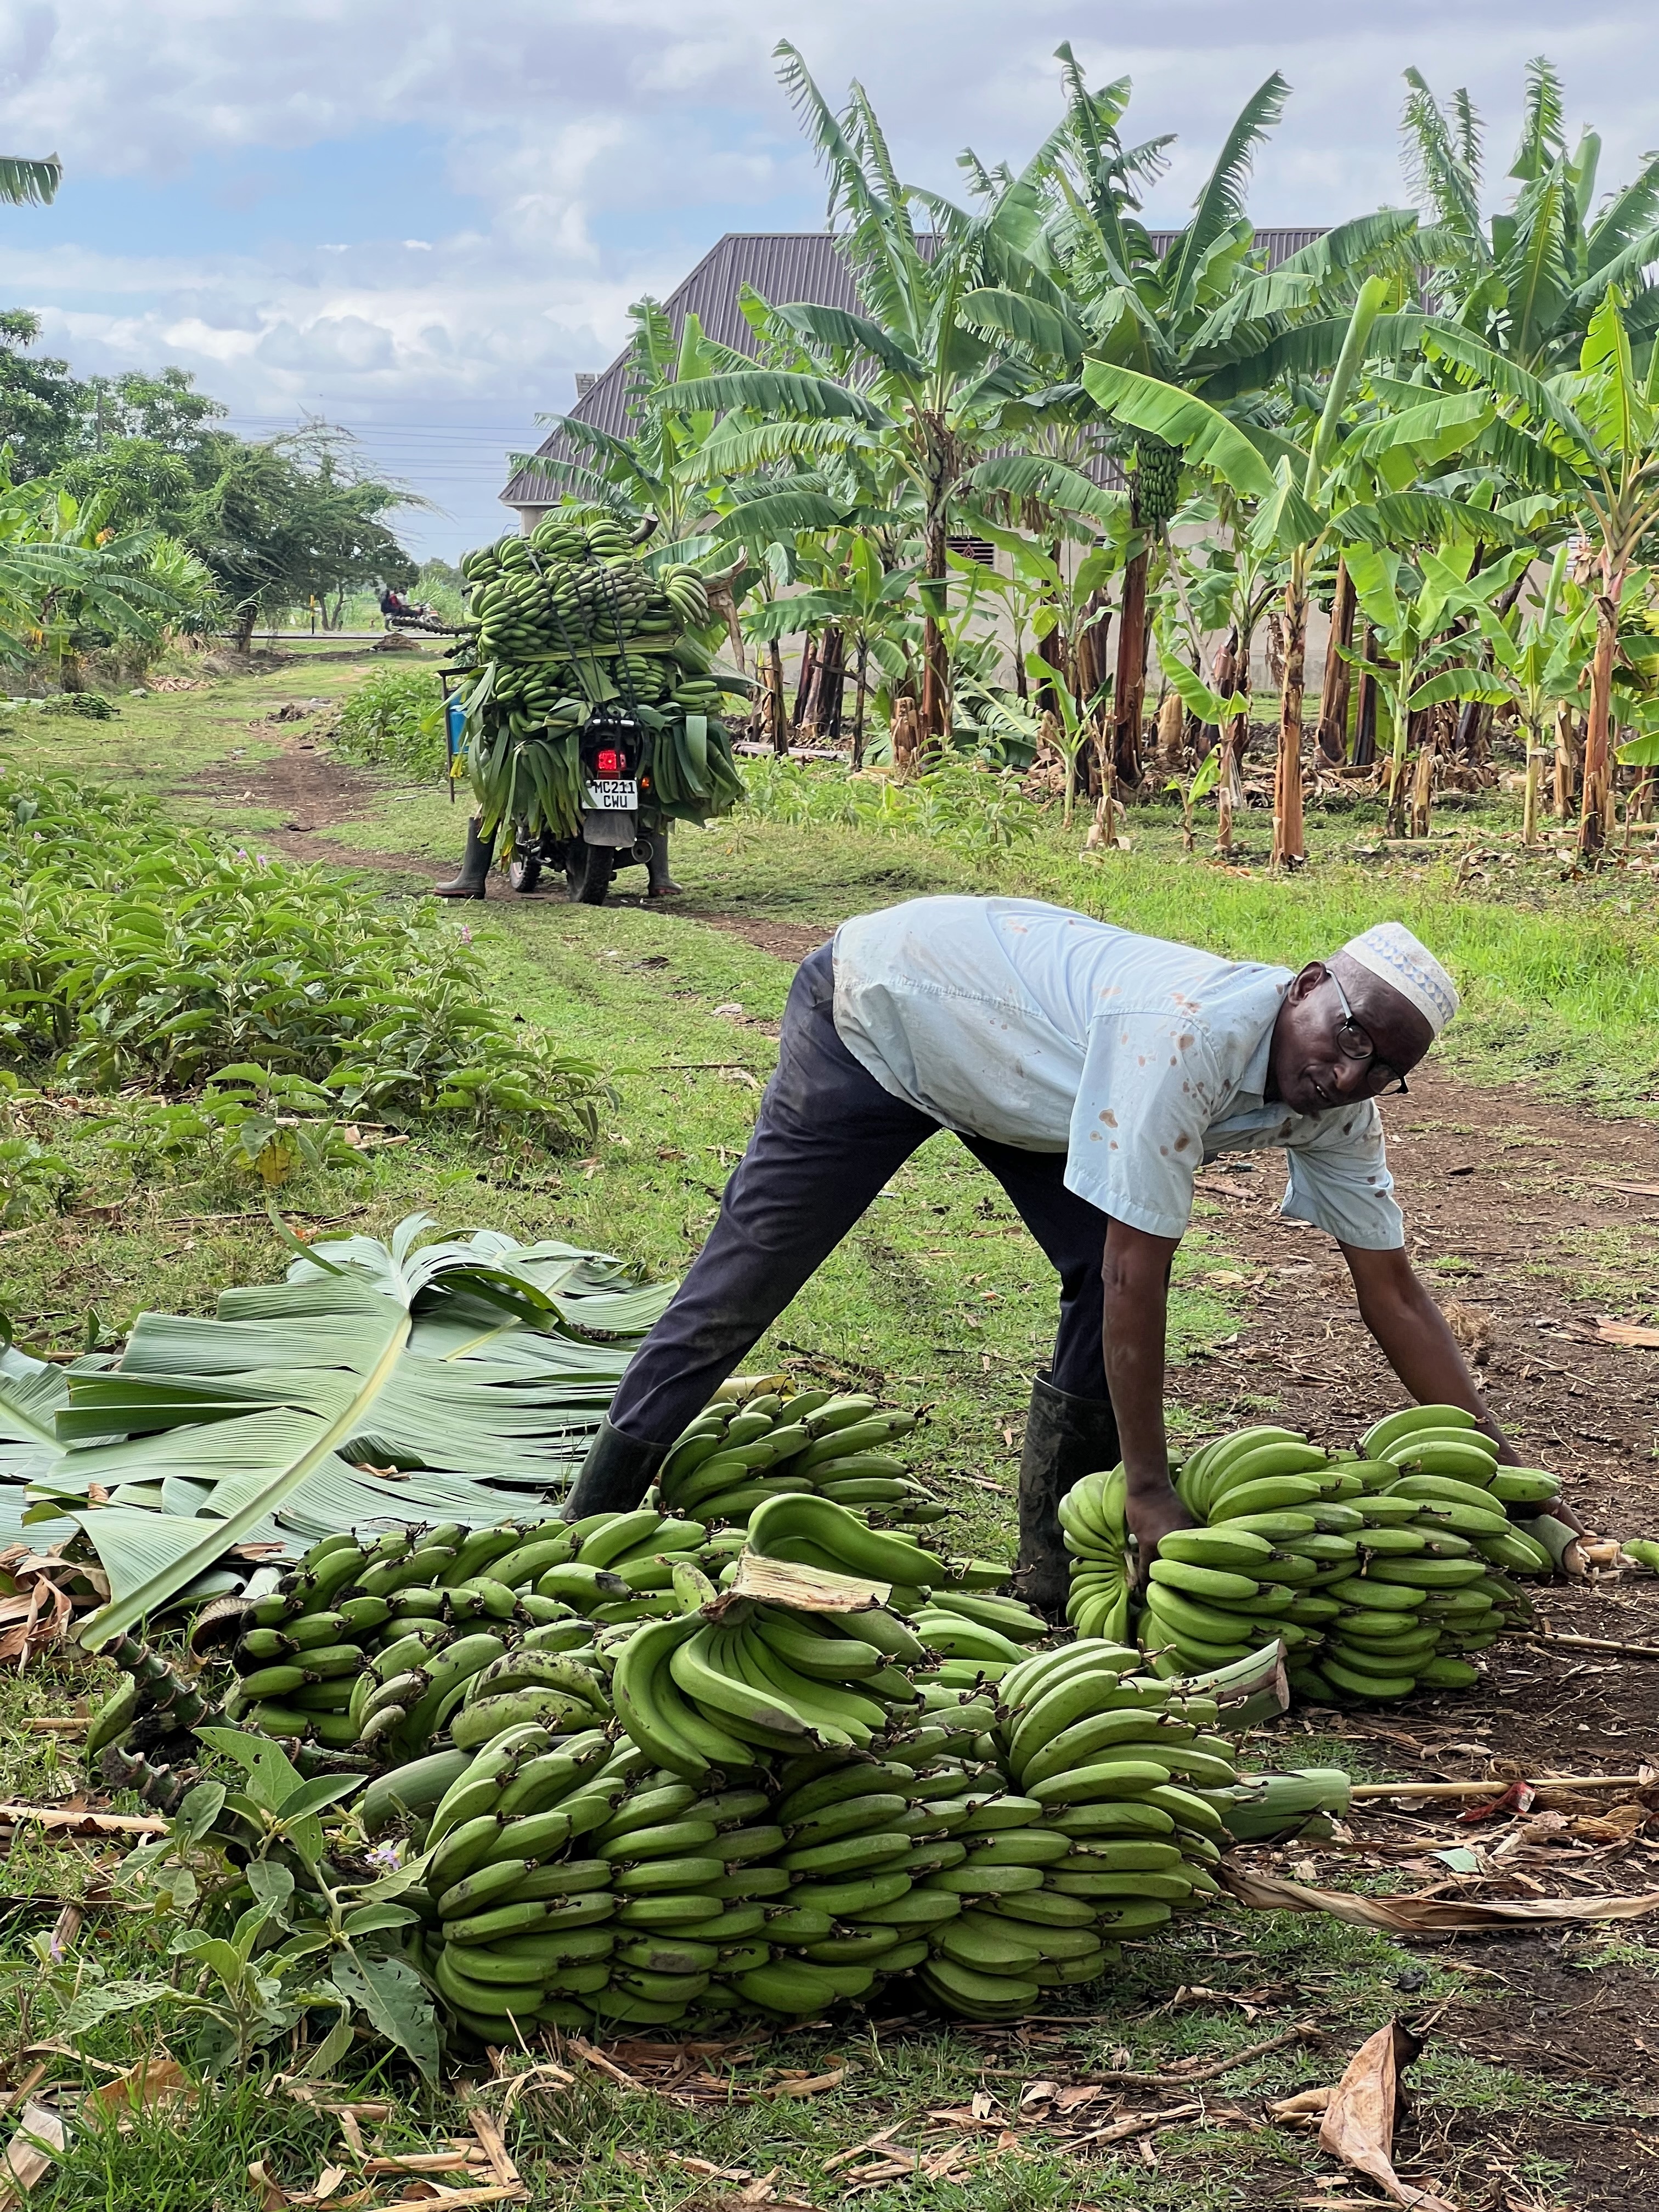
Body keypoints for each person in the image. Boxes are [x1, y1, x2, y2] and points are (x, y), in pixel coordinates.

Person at [565, 894, 1534, 1613]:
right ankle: (590, 1522)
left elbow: (1393, 1294)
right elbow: (1136, 1269)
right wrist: (1152, 1485)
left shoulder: (1338, 1106)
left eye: (1386, 1070)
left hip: (1030, 1084)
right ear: (1309, 984)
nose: (1351, 1074)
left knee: (1092, 1285)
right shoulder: (1187, 1036)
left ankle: (1057, 1570)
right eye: (1351, 1036)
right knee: (752, 1272)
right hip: (886, 1012)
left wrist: (1509, 1474)